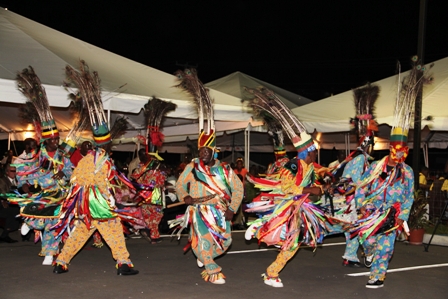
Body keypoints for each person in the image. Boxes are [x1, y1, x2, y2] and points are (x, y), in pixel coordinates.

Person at [53, 60, 138, 276]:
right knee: (114, 230)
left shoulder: (91, 157)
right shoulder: (100, 159)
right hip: (96, 203)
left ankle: (61, 262)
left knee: (81, 232)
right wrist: (106, 197)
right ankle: (124, 263)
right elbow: (92, 180)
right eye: (110, 143)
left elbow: (75, 178)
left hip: (86, 204)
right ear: (106, 144)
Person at [352, 57, 427, 288]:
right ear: (390, 149)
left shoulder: (407, 172)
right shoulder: (376, 167)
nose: (398, 154)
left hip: (391, 216)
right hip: (371, 213)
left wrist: (402, 216)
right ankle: (371, 252)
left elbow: (408, 197)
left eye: (402, 150)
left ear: (405, 150)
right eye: (394, 149)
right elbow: (361, 186)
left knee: (386, 246)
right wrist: (361, 205)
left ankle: (377, 276)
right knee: (367, 241)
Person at [174, 68, 244, 284]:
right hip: (198, 210)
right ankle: (212, 268)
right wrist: (184, 196)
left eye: (207, 151)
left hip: (220, 211)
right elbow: (179, 186)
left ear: (214, 151)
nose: (203, 154)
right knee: (203, 239)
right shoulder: (192, 167)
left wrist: (232, 208)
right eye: (200, 151)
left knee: (225, 241)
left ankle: (205, 255)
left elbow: (238, 188)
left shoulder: (224, 169)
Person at [0, 164, 21, 243]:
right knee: (14, 212)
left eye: (15, 171)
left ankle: (26, 235)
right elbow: (3, 193)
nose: (14, 173)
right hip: (4, 205)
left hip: (17, 203)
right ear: (7, 172)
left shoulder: (18, 180)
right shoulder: (3, 180)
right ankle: (5, 235)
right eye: (12, 171)